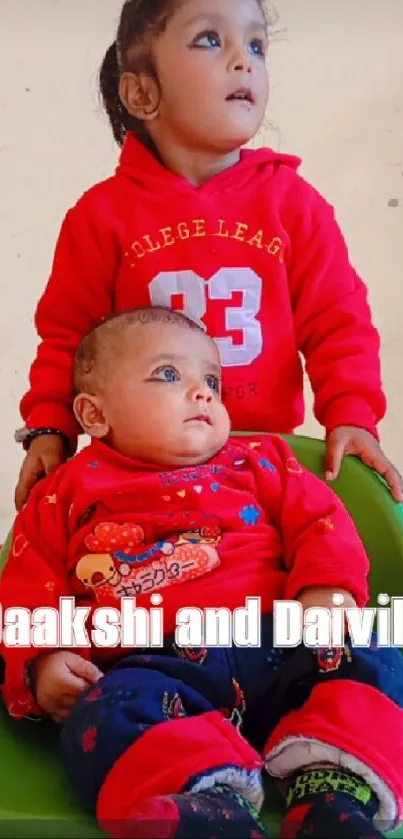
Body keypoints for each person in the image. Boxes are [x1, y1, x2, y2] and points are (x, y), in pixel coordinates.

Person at [2, 307, 403, 839]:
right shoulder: (63, 491)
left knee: (374, 653)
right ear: (93, 415)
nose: (202, 392)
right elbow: (26, 585)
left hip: (280, 641)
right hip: (152, 664)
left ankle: (332, 791)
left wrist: (324, 591)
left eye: (211, 380)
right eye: (170, 374)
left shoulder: (263, 459)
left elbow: (322, 523)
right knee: (105, 713)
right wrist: (44, 659)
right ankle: (206, 803)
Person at [13, 0, 403, 513]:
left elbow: (339, 323)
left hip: (263, 466)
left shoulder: (294, 204)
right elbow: (67, 336)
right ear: (141, 91)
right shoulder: (101, 216)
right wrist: (52, 426)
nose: (244, 60)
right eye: (210, 40)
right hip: (135, 475)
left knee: (328, 564)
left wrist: (352, 415)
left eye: (257, 46)